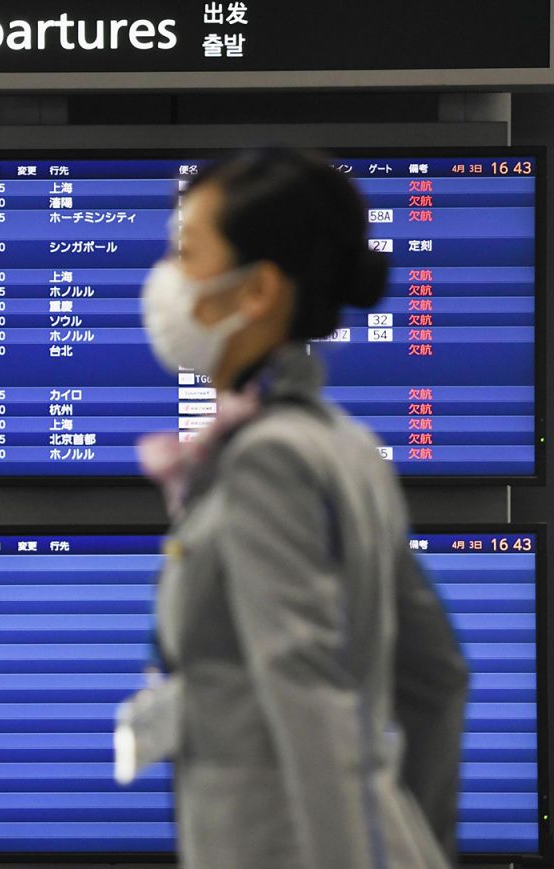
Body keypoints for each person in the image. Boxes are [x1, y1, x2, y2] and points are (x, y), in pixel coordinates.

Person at [114, 148, 470, 869]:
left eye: (187, 254)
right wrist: (413, 843)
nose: (168, 281)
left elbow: (314, 708)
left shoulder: (265, 464)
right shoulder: (346, 445)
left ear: (257, 290)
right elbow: (438, 678)